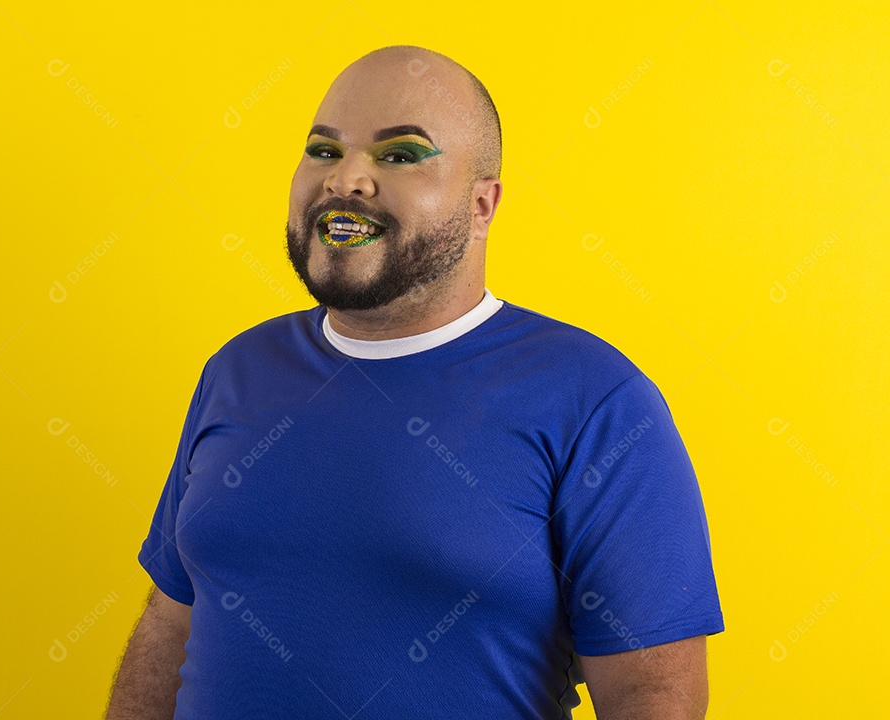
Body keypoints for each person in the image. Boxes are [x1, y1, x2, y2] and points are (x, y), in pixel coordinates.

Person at [106, 45, 724, 720]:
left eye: (400, 155)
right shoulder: (237, 370)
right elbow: (170, 623)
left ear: (482, 205)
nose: (347, 180)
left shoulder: (595, 399)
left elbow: (652, 697)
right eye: (323, 151)